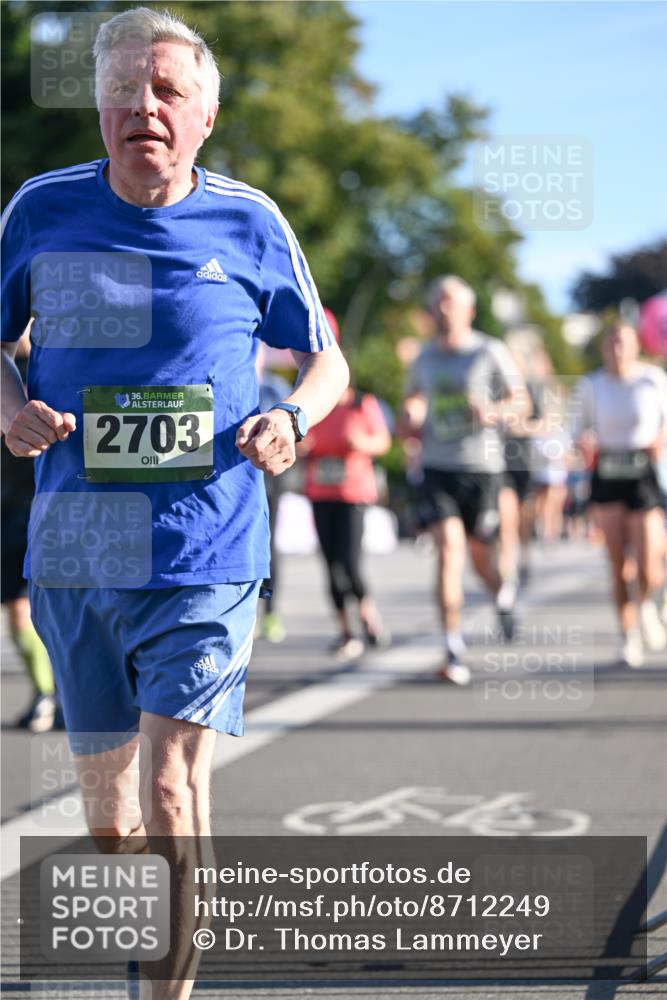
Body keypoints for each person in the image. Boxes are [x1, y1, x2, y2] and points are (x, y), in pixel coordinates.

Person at [1, 8, 348, 998]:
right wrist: (13, 409)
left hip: (208, 543)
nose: (142, 108)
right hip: (78, 547)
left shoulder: (249, 221)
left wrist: (290, 417)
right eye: (122, 90)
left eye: (166, 92)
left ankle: (166, 987)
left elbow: (326, 357)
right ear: (98, 106)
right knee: (111, 815)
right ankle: (154, 922)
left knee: (169, 783)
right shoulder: (39, 209)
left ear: (204, 115)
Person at [400, 275, 529, 684]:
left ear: (468, 311)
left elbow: (521, 402)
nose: (442, 309)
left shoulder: (489, 351)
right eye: (437, 302)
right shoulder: (424, 357)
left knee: (480, 559)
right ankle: (452, 647)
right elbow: (412, 402)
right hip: (438, 467)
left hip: (482, 469)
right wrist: (411, 416)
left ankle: (502, 595)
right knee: (449, 553)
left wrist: (492, 412)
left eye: (450, 302)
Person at [572, 323, 667, 667]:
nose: (617, 350)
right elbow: (577, 431)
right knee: (617, 565)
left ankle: (647, 602)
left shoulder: (653, 380)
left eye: (623, 343)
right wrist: (583, 443)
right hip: (608, 471)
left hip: (643, 471)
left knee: (649, 564)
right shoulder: (591, 386)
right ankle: (628, 637)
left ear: (636, 347)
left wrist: (660, 440)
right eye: (611, 343)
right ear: (602, 348)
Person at [301, 339, 392, 658]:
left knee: (350, 563)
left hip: (353, 494)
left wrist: (361, 442)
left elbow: (383, 442)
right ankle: (346, 630)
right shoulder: (315, 406)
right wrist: (304, 447)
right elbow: (300, 442)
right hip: (320, 492)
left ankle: (368, 617)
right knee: (330, 564)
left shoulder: (362, 405)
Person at [1, 332, 61, 732]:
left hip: (54, 507)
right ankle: (47, 694)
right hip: (8, 511)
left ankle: (56, 696)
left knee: (50, 611)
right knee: (17, 610)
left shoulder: (56, 370)